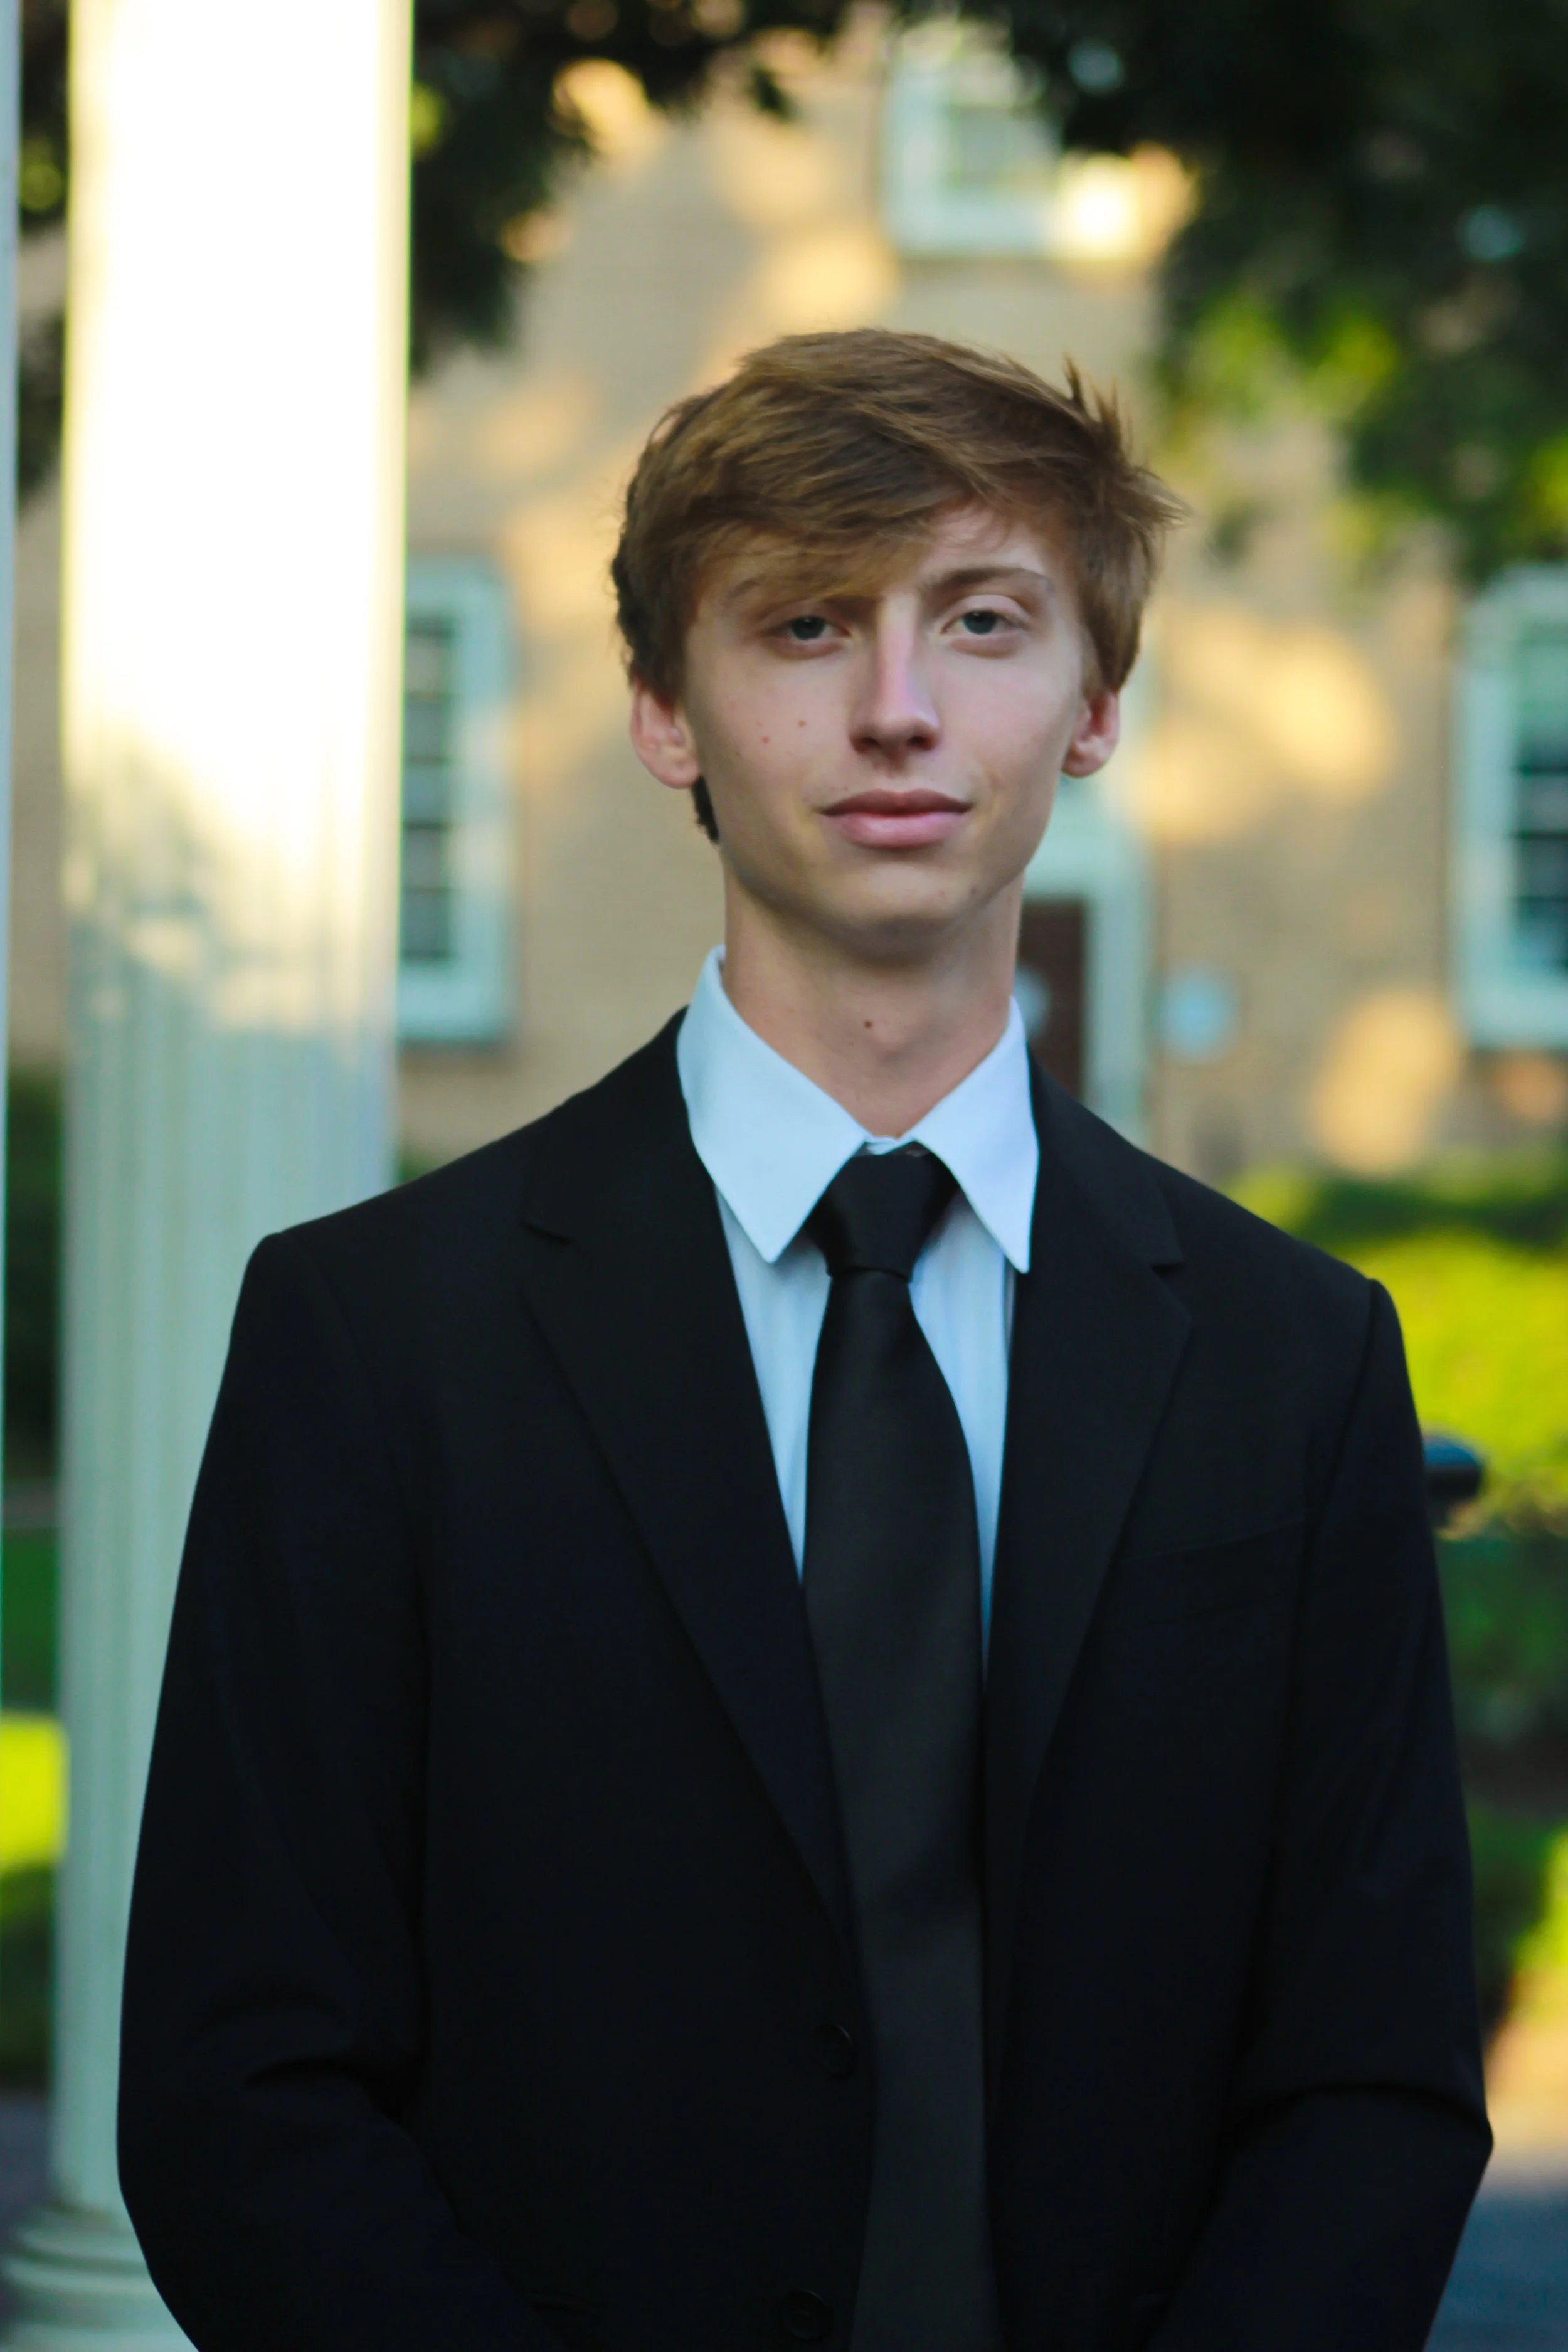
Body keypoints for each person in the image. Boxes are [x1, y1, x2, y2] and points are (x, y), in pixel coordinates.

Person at [119, 329, 1489, 2352]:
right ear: (664, 709)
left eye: (983, 620)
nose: (896, 707)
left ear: (1095, 704)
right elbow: (241, 2088)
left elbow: (1370, 2076)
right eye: (805, 623)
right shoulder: (372, 1334)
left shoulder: (1298, 1358)